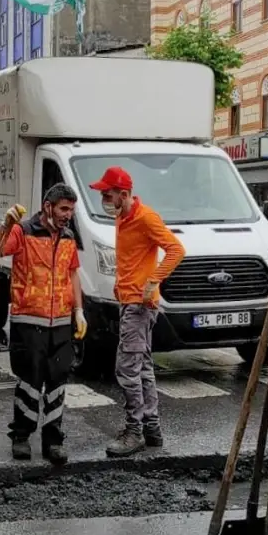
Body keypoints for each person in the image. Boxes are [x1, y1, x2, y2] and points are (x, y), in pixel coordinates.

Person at [0, 183, 86, 466]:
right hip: (28, 320)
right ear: (48, 206)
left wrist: (79, 310)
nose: (68, 215)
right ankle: (21, 436)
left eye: (71, 210)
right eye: (64, 209)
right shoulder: (23, 231)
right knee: (30, 381)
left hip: (62, 321)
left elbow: (73, 273)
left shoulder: (67, 236)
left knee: (57, 382)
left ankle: (53, 441)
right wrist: (5, 225)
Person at [88, 166, 186, 458]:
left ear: (125, 194)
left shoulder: (145, 218)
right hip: (130, 302)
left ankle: (135, 432)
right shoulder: (123, 217)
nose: (104, 198)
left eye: (108, 194)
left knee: (127, 369)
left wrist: (154, 280)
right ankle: (151, 429)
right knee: (142, 367)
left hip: (139, 305)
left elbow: (176, 250)